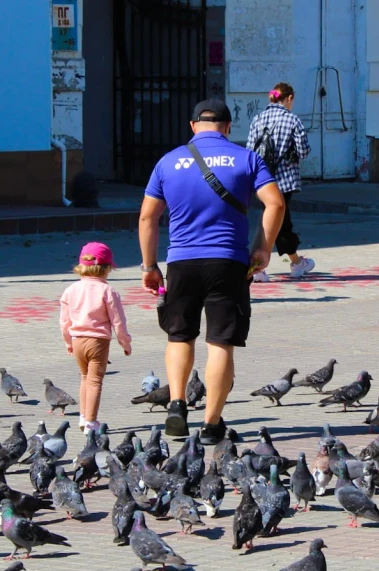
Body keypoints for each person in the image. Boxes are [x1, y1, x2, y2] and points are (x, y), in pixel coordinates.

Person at [138, 98, 285, 444]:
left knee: (179, 335)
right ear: (228, 127)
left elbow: (148, 217)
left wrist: (149, 266)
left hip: (182, 263)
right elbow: (276, 203)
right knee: (220, 343)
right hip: (229, 262)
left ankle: (176, 404)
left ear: (192, 126)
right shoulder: (247, 159)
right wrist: (262, 247)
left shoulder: (168, 162)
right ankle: (211, 424)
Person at [59, 241, 132, 432]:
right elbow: (118, 322)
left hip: (77, 339)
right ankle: (91, 421)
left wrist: (68, 342)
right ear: (106, 268)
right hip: (98, 341)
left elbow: (64, 321)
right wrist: (125, 343)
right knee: (95, 381)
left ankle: (83, 417)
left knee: (84, 378)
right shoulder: (108, 291)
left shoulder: (70, 290)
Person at [246, 82, 313, 282]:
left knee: (277, 221)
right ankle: (261, 265)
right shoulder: (292, 120)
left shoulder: (258, 119)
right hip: (284, 181)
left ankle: (295, 262)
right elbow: (304, 151)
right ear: (289, 98)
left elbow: (250, 151)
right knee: (276, 223)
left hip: (261, 179)